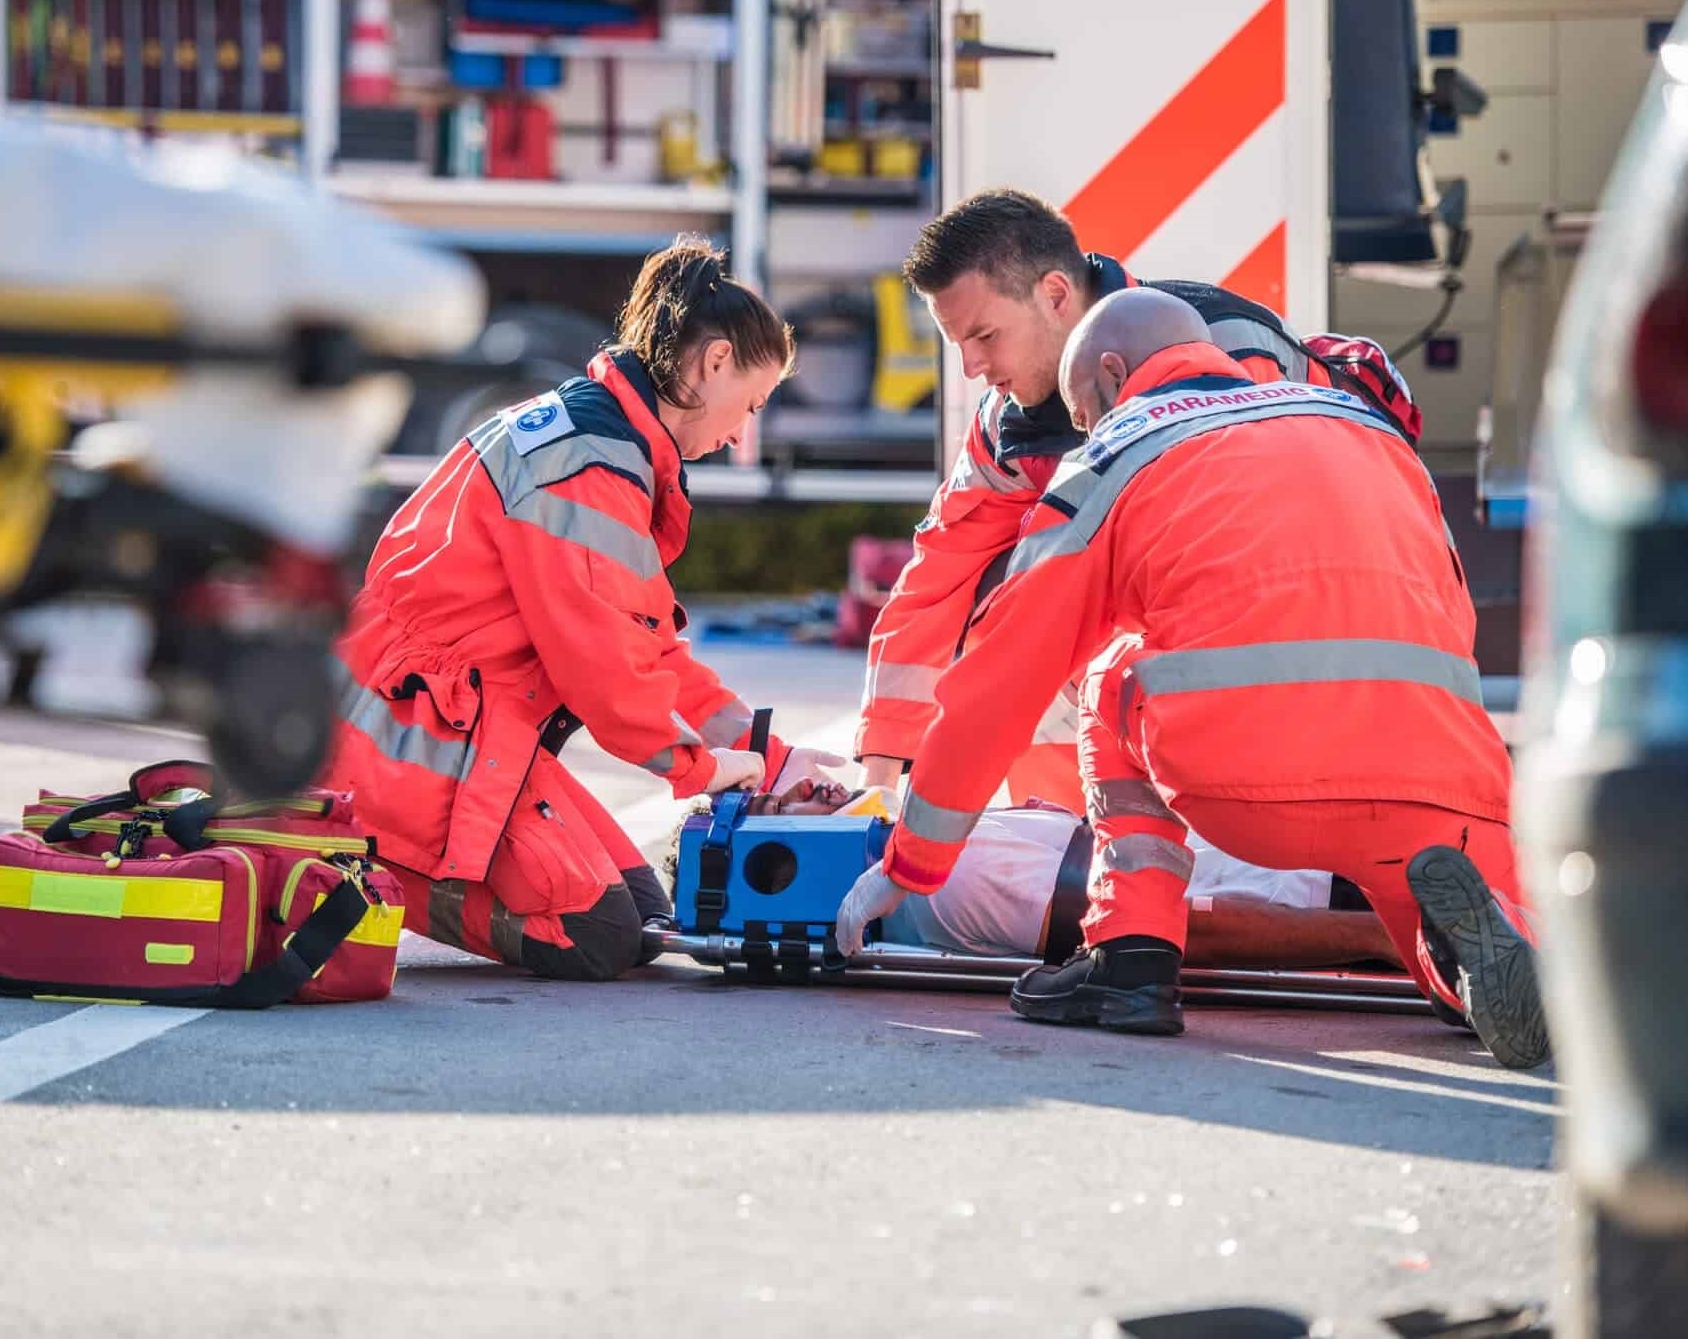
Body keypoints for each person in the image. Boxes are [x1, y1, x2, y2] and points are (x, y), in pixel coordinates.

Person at [833, 287, 1549, 1069]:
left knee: (1110, 676)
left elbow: (1001, 679)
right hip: (1443, 781)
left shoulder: (1118, 449)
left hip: (1246, 788)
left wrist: (913, 863)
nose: (1084, 428)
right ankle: (1477, 978)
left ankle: (1129, 958)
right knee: (1442, 940)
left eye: (1083, 410)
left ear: (1111, 375)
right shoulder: (1364, 427)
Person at [323, 236, 847, 982]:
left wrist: (772, 758)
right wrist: (703, 768)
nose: (740, 435)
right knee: (600, 936)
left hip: (459, 728)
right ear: (716, 362)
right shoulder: (589, 467)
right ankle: (368, 857)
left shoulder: (604, 443)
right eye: (751, 406)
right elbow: (608, 675)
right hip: (415, 742)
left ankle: (385, 843)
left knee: (646, 920)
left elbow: (648, 648)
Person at [855, 188, 1409, 815]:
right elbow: (938, 581)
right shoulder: (1005, 425)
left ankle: (1257, 844)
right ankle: (1065, 844)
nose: (971, 367)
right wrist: (880, 777)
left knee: (1064, 639)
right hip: (1213, 635)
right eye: (958, 342)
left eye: (983, 335)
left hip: (1313, 634)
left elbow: (1271, 552)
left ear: (1056, 296)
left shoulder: (1228, 351)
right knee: (1002, 626)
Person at [658, 782, 1402, 971]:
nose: (804, 788)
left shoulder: (930, 845)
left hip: (1312, 853)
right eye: (774, 808)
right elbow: (1173, 924)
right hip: (1315, 885)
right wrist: (1379, 938)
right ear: (775, 851)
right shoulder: (940, 886)